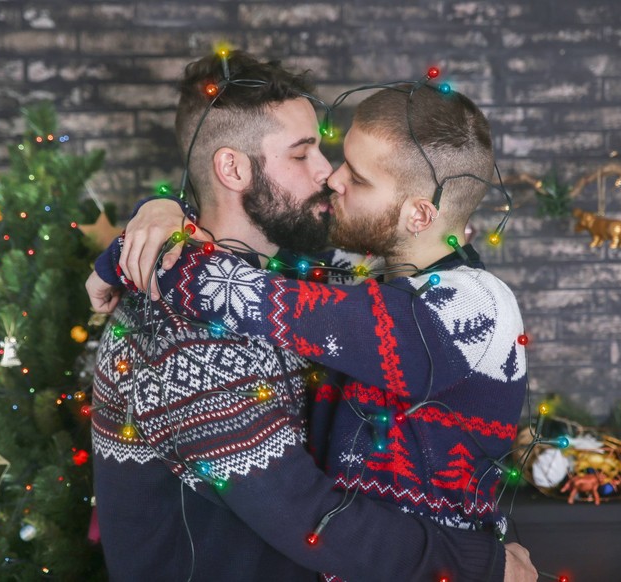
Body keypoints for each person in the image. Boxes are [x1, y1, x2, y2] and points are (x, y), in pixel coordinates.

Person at [87, 51, 537, 582]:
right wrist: (484, 567)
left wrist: (153, 233)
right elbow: (307, 516)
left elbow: (293, 304)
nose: (329, 175)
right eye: (304, 155)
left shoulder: (324, 274)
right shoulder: (179, 330)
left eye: (333, 158)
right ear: (233, 168)